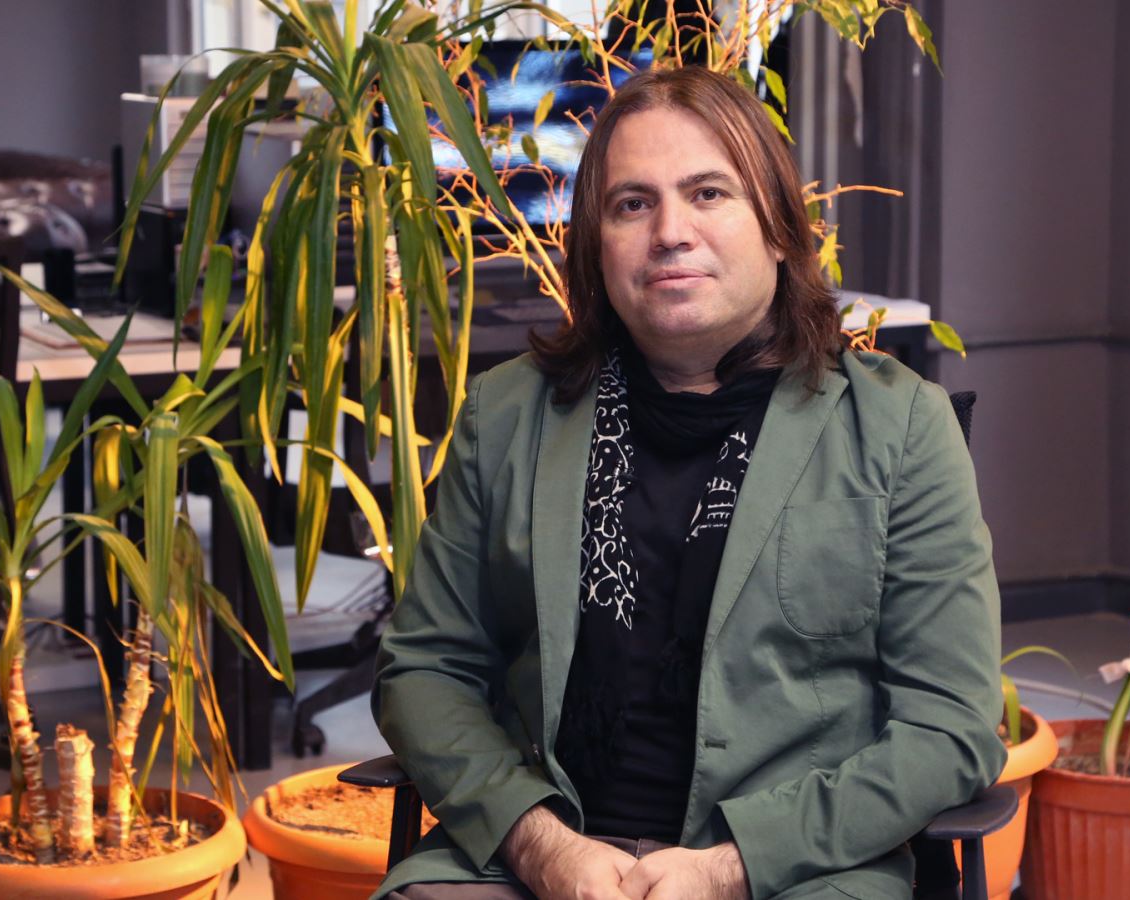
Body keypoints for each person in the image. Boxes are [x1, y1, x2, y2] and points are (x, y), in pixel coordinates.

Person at [372, 66, 1005, 900]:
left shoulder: (898, 427)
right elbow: (426, 670)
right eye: (633, 204)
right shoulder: (507, 416)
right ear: (598, 245)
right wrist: (543, 847)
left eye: (709, 193)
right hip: (539, 857)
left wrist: (729, 869)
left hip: (793, 872)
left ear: (778, 228)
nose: (671, 232)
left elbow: (951, 727)